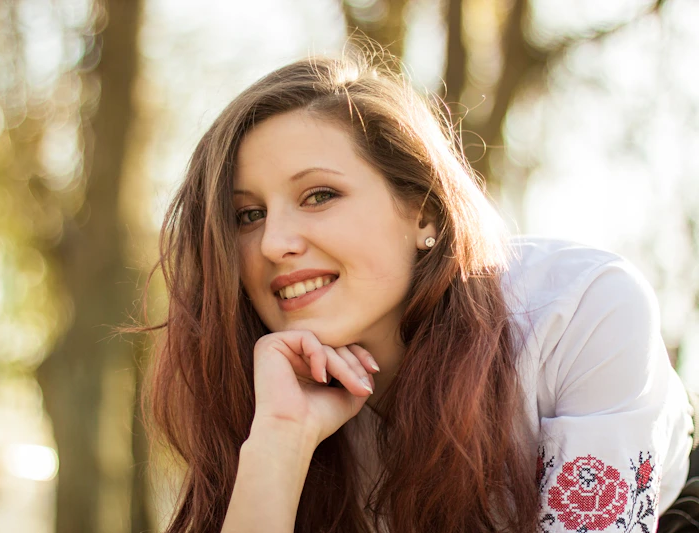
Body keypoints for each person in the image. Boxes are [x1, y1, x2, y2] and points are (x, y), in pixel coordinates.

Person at [141, 48, 697, 532]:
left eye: (318, 195)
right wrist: (280, 441)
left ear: (423, 211)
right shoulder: (264, 388)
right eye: (247, 215)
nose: (273, 243)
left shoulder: (579, 311)